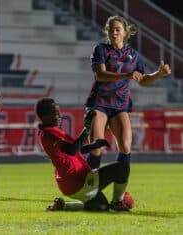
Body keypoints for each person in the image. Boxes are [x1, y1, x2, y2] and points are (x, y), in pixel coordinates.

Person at [84, 15, 171, 169]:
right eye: (111, 30)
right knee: (96, 147)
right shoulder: (101, 49)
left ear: (125, 32)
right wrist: (127, 75)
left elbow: (142, 80)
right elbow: (100, 75)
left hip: (120, 105)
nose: (114, 33)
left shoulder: (134, 56)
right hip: (99, 103)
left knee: (125, 146)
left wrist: (159, 74)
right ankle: (89, 186)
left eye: (118, 29)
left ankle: (119, 191)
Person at [35, 97, 134, 212]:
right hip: (78, 180)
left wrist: (93, 146)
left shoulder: (47, 133)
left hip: (70, 185)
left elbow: (72, 150)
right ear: (44, 116)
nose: (60, 115)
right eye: (55, 113)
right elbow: (72, 150)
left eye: (59, 112)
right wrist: (87, 128)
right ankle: (118, 202)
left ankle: (63, 205)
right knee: (122, 168)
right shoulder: (49, 134)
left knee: (102, 207)